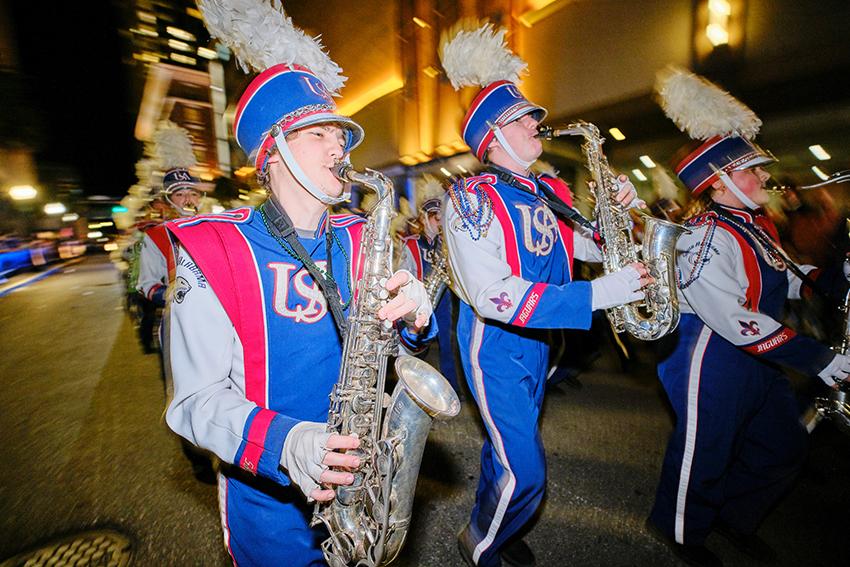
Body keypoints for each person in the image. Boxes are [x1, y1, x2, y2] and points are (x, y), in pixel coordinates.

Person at [165, 2, 435, 564]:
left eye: (341, 134)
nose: (341, 147)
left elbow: (382, 352)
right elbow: (193, 402)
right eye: (320, 134)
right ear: (274, 148)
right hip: (269, 505)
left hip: (364, 479)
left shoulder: (363, 236)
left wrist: (412, 318)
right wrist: (285, 443)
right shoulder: (213, 249)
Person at [439, 23, 652, 567]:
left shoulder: (547, 190)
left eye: (533, 114)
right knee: (526, 467)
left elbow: (591, 245)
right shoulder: (470, 198)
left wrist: (617, 211)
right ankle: (481, 547)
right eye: (523, 117)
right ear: (493, 134)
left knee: (508, 451)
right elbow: (493, 295)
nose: (538, 121)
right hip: (496, 346)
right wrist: (598, 294)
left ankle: (498, 522)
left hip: (541, 343)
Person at [647, 67, 850, 567]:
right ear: (718, 182)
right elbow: (735, 319)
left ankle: (733, 519)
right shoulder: (707, 234)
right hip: (708, 356)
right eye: (750, 169)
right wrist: (820, 358)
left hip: (758, 355)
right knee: (705, 451)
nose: (763, 176)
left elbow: (781, 272)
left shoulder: (753, 223)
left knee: (783, 447)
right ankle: (678, 529)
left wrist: (832, 278)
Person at [136, 123, 202, 353]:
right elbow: (146, 283)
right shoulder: (155, 235)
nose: (188, 200)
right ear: (169, 198)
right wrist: (168, 294)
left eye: (192, 193)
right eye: (180, 194)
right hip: (177, 320)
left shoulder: (211, 227)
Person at [398, 175, 463, 395]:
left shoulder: (446, 245)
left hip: (442, 299)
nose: (440, 222)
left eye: (441, 217)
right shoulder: (411, 244)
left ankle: (451, 389)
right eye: (436, 217)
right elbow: (403, 271)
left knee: (448, 342)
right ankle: (409, 390)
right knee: (417, 348)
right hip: (418, 299)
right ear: (425, 218)